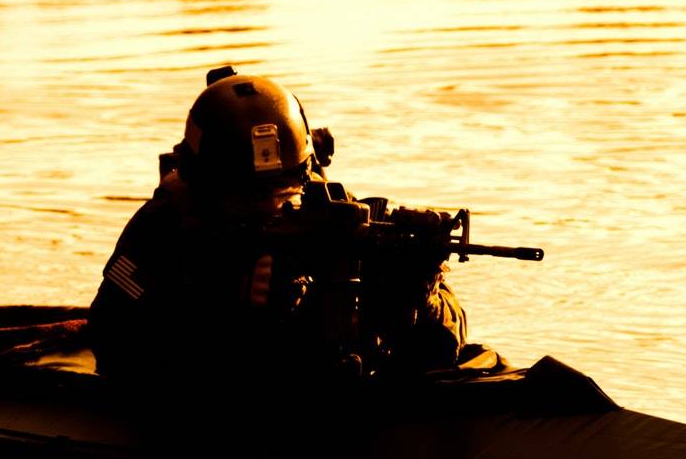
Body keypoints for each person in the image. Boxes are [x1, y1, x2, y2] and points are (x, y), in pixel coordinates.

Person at [89, 66, 479, 385]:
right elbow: (112, 336)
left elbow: (444, 344)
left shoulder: (332, 217)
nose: (270, 210)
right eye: (246, 198)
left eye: (285, 192)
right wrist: (230, 310)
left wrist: (416, 295)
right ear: (204, 187)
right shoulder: (161, 231)